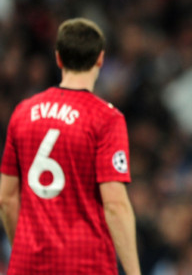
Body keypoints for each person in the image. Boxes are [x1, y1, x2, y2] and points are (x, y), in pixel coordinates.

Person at [0, 18, 141, 274]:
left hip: (28, 265)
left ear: (58, 59)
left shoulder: (22, 113)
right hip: (85, 264)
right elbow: (115, 205)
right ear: (100, 59)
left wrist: (22, 249)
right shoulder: (105, 119)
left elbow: (6, 198)